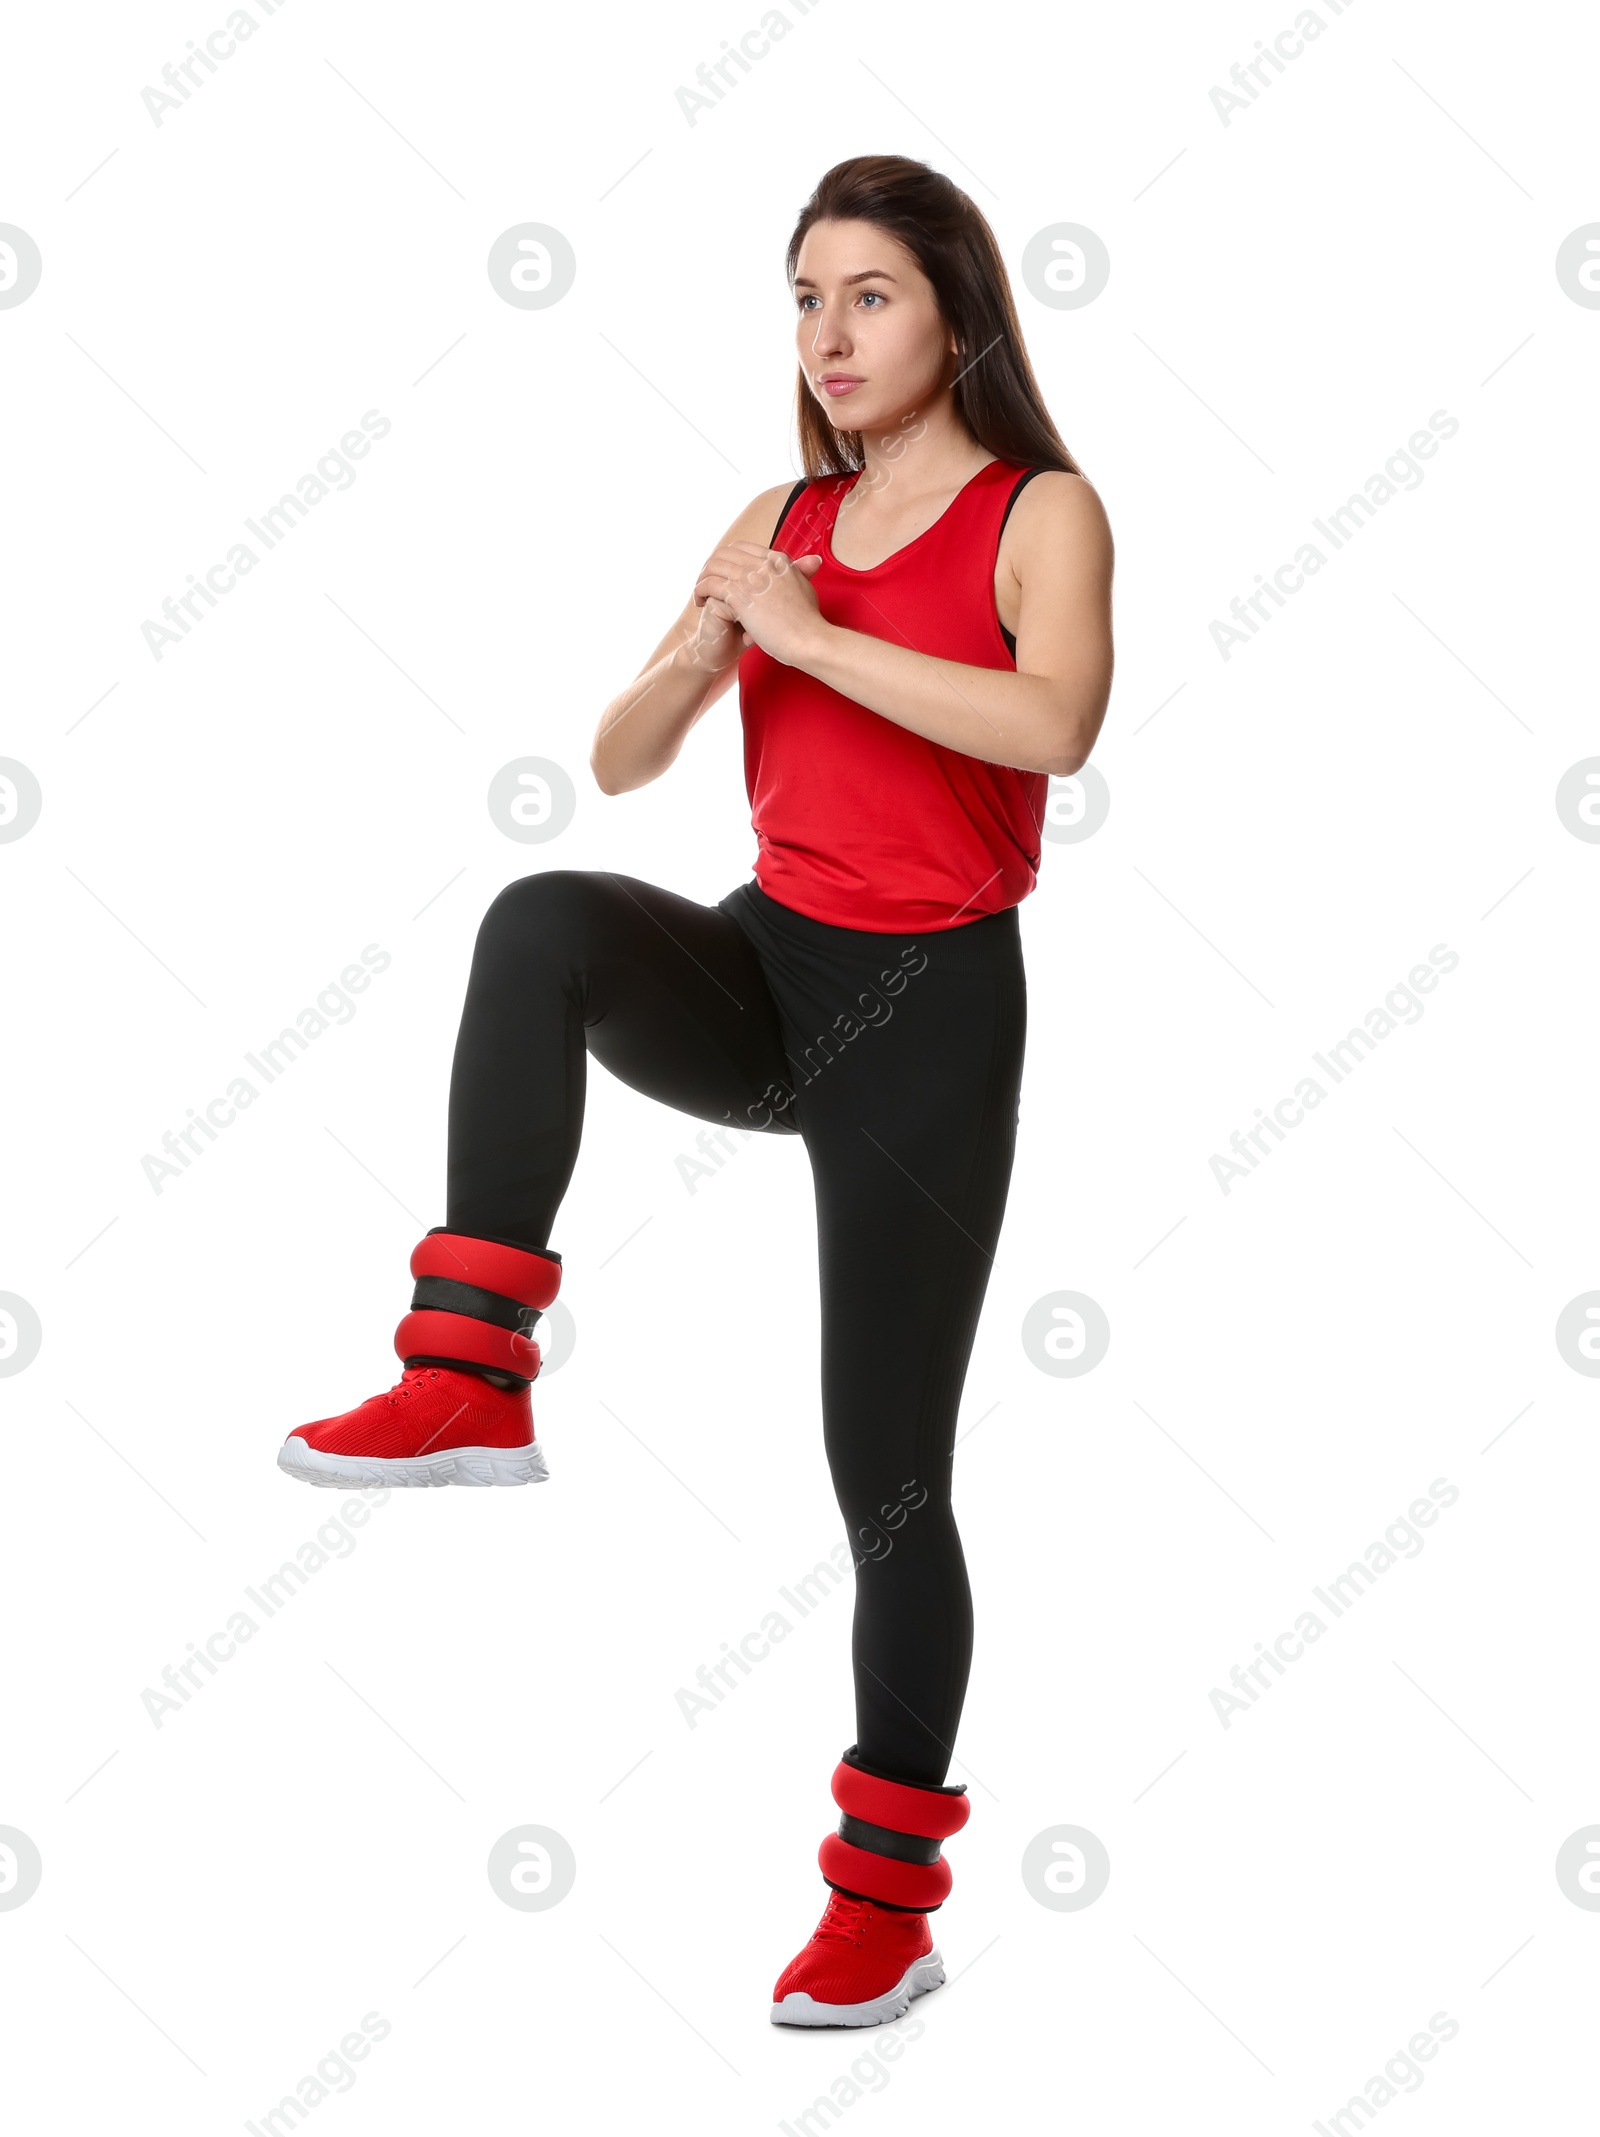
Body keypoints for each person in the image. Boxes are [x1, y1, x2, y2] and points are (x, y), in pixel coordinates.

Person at [278, 153, 1113, 2028]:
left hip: (931, 1006)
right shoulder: (776, 515)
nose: (829, 334)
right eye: (806, 298)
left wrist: (816, 640)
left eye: (871, 295)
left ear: (959, 311)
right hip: (767, 958)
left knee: (886, 1481)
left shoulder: (1043, 511)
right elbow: (624, 753)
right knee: (541, 919)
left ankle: (883, 1907)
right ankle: (471, 1371)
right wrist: (716, 639)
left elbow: (1054, 724)